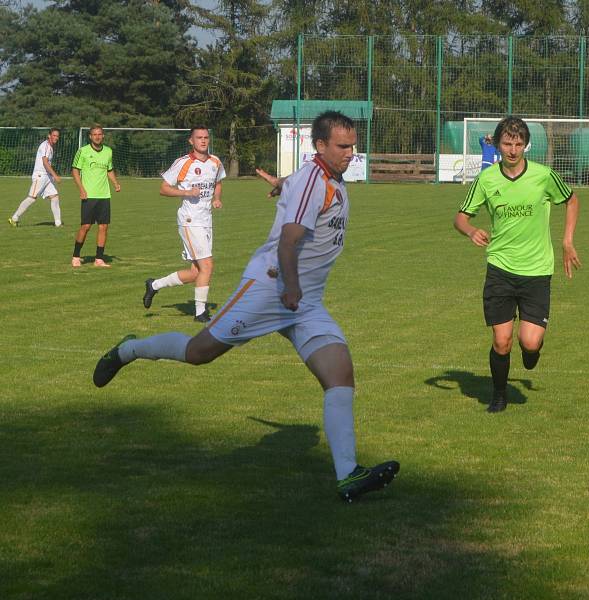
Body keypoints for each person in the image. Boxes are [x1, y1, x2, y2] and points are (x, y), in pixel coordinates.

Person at [93, 111, 399, 502]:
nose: (350, 153)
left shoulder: (324, 179)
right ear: (320, 146)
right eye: (342, 146)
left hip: (303, 300)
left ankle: (348, 476)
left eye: (353, 146)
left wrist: (285, 184)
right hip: (273, 288)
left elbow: (304, 186)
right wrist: (290, 288)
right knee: (198, 352)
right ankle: (129, 349)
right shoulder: (314, 179)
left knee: (339, 374)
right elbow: (289, 241)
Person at [454, 116, 581, 413]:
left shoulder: (543, 175)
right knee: (501, 341)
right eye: (507, 143)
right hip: (500, 268)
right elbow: (460, 217)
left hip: (537, 270)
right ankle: (498, 394)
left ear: (526, 145)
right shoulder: (487, 179)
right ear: (498, 143)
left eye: (518, 144)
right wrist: (471, 230)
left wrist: (567, 241)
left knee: (530, 343)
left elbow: (572, 200)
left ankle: (531, 352)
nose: (512, 150)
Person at [142, 127, 226, 322]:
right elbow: (163, 189)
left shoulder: (215, 162)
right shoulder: (183, 163)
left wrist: (217, 198)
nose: (203, 141)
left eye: (206, 137)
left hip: (206, 220)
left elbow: (218, 183)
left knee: (196, 272)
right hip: (190, 220)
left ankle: (154, 285)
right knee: (207, 265)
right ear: (191, 141)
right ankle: (200, 313)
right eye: (199, 138)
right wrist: (186, 193)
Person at [70, 125, 121, 267]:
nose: (97, 136)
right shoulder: (83, 151)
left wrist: (115, 183)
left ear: (103, 136)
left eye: (100, 134)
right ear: (90, 136)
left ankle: (99, 259)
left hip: (104, 195)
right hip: (89, 196)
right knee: (86, 226)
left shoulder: (108, 151)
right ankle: (75, 256)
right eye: (94, 134)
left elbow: (109, 170)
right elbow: (75, 171)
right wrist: (81, 189)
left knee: (103, 226)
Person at [8, 128, 63, 228]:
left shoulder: (50, 146)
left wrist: (51, 176)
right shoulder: (45, 145)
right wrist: (55, 175)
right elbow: (45, 162)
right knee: (32, 198)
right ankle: (14, 218)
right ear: (49, 135)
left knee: (54, 197)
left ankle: (58, 223)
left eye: (57, 136)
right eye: (54, 135)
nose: (56, 138)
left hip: (46, 177)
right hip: (40, 176)